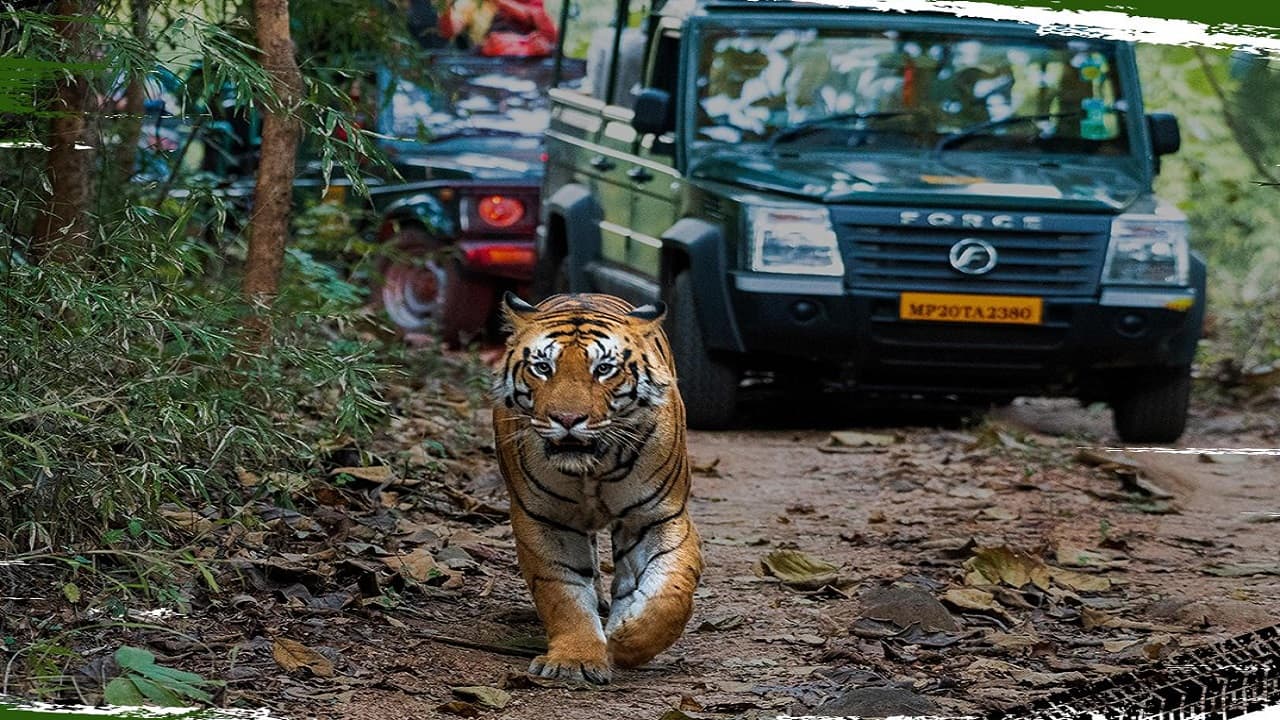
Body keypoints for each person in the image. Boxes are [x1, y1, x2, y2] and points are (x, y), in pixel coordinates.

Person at [438, 0, 557, 58]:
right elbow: (448, 31)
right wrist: (445, 8)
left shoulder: (536, 4)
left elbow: (534, 18)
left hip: (531, 65)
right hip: (488, 63)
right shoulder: (472, 3)